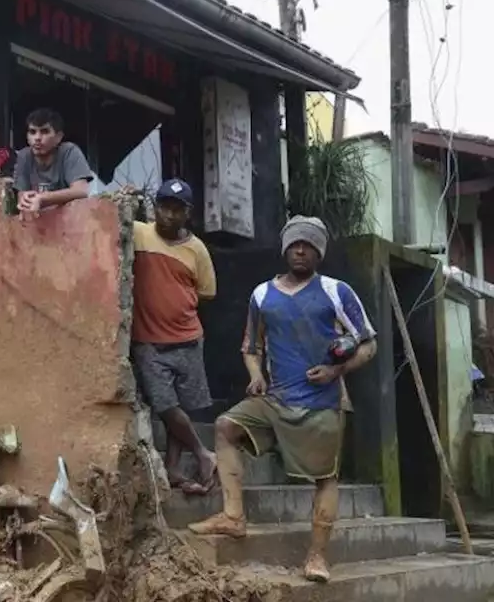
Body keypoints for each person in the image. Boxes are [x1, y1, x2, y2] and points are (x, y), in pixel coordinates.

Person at [189, 216, 377, 584]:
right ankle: (233, 517)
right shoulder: (262, 295)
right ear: (285, 248)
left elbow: (368, 343)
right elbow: (250, 347)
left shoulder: (337, 291)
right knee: (226, 426)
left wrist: (336, 371)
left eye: (308, 244)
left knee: (325, 478)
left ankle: (318, 556)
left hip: (322, 402)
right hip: (275, 398)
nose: (301, 249)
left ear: (319, 252)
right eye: (294, 244)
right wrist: (256, 375)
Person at [130, 179, 218, 495]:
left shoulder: (197, 250)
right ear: (155, 208)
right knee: (166, 405)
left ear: (188, 213)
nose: (169, 214)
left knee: (182, 405)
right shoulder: (139, 233)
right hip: (148, 339)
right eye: (164, 207)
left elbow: (207, 292)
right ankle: (203, 452)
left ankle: (173, 467)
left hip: (188, 337)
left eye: (176, 209)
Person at [12, 108, 92, 219]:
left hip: (70, 222)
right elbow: (22, 196)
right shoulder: (24, 156)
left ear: (58, 137)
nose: (37, 138)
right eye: (32, 132)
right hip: (38, 225)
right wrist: (25, 200)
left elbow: (81, 191)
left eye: (44, 131)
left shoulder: (69, 151)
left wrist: (42, 198)